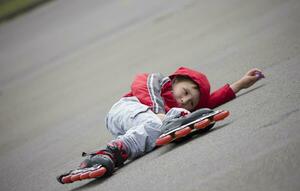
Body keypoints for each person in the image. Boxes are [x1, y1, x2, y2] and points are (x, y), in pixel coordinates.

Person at [57, 66, 264, 183]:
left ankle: (110, 153)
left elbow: (210, 102)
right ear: (176, 81)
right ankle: (169, 124)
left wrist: (241, 84)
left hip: (139, 124)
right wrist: (158, 110)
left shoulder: (179, 108)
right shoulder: (159, 82)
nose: (184, 100)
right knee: (157, 120)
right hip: (125, 109)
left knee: (156, 130)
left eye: (191, 101)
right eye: (184, 92)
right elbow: (142, 83)